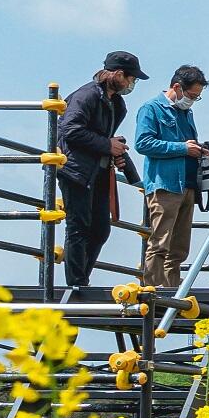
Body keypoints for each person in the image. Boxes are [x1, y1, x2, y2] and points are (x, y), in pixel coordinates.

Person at [55, 51, 145, 294]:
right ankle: (76, 283)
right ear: (117, 74)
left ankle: (81, 279)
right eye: (130, 78)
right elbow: (70, 130)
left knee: (100, 229)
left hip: (98, 171)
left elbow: (101, 136)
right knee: (79, 226)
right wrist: (107, 145)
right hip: (76, 170)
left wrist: (112, 149)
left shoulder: (116, 103)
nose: (131, 84)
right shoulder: (85, 96)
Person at [131, 65, 209, 292]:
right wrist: (183, 148)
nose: (193, 101)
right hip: (164, 185)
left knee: (179, 248)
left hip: (187, 185)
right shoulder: (151, 109)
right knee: (160, 243)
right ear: (177, 87)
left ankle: (171, 293)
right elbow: (143, 143)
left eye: (197, 97)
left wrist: (199, 151)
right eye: (192, 95)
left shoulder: (187, 113)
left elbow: (185, 146)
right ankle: (153, 292)